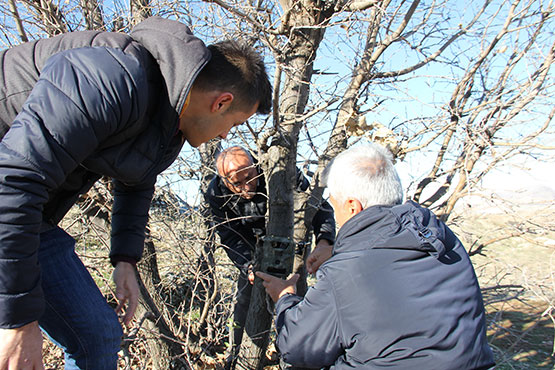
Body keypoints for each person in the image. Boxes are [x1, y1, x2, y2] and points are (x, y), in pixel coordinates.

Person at [0, 16, 272, 369]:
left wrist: (125, 259)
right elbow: (15, 178)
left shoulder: (171, 120)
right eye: (233, 124)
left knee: (97, 335)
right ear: (221, 102)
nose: (224, 137)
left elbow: (137, 177)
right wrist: (18, 320)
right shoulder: (113, 76)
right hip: (10, 196)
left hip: (23, 211)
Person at [257, 143, 495, 369]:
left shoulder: (345, 271)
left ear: (352, 206)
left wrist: (285, 298)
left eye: (335, 204)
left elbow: (299, 347)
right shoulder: (442, 238)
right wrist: (340, 251)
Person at [204, 145, 336, 366]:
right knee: (245, 305)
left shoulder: (279, 169)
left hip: (292, 247)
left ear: (256, 166)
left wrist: (325, 241)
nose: (247, 188)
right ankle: (237, 357)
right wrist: (248, 265)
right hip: (252, 253)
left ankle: (297, 360)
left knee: (297, 304)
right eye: (237, 184)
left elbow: (318, 206)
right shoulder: (216, 192)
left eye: (250, 178)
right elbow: (229, 235)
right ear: (224, 181)